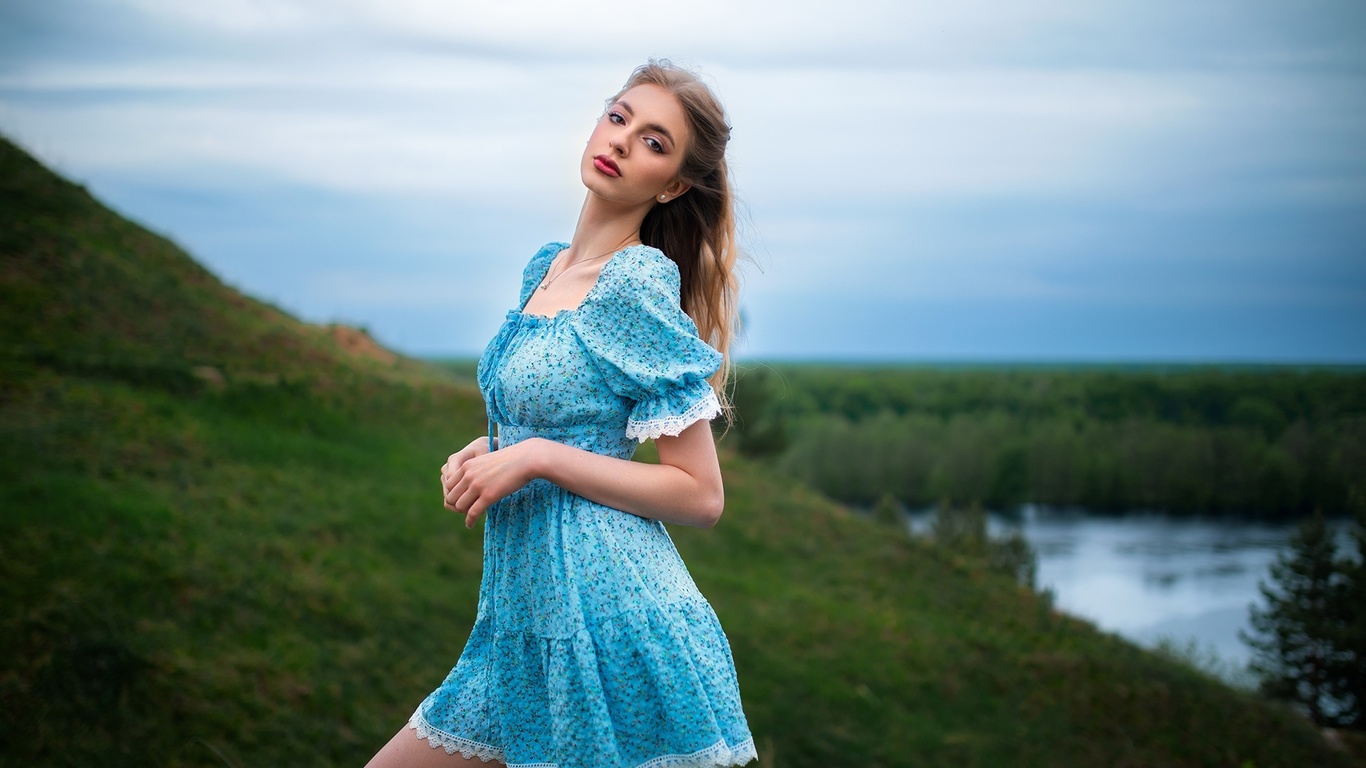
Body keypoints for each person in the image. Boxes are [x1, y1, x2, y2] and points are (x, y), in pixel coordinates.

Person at [366, 61, 756, 768]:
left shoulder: (633, 285)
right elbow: (566, 418)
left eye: (654, 142)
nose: (623, 140)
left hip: (605, 625)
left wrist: (536, 458)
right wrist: (493, 449)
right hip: (521, 627)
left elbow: (701, 495)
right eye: (619, 117)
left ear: (671, 185)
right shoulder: (545, 270)